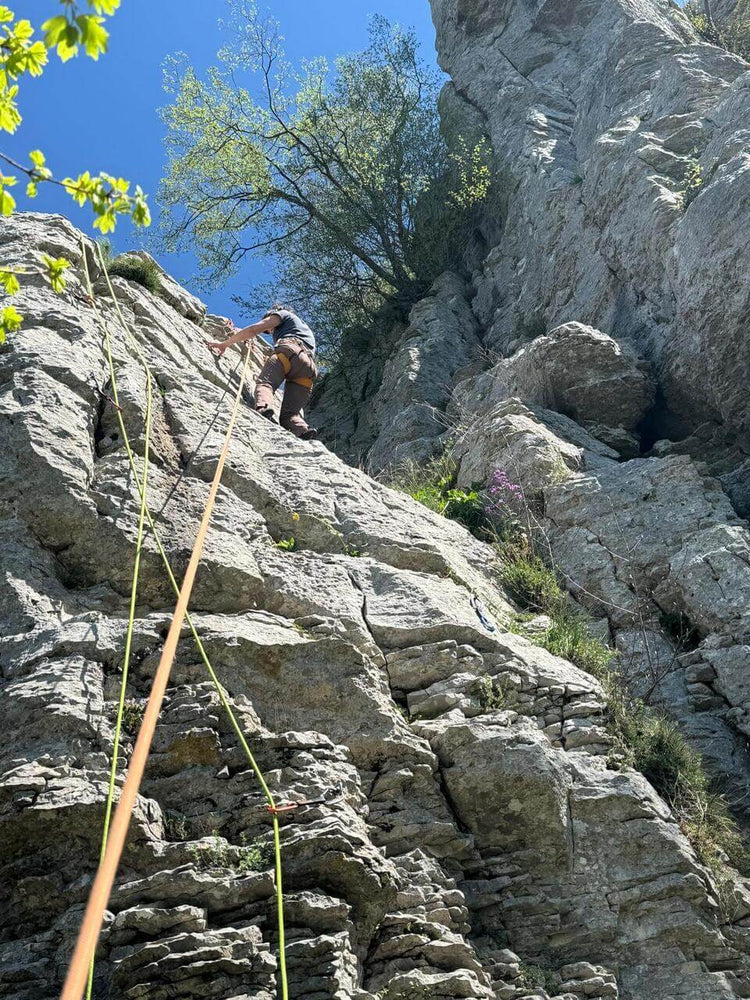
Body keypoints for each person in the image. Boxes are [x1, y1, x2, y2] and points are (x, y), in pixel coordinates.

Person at [207, 305, 318, 440]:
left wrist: (224, 344)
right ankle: (303, 430)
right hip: (308, 370)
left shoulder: (282, 314)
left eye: (268, 330)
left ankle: (263, 408)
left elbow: (254, 329)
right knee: (289, 415)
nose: (269, 331)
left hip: (290, 353)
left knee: (265, 384)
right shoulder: (304, 330)